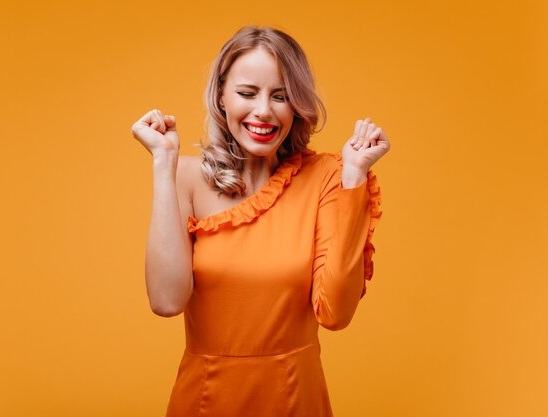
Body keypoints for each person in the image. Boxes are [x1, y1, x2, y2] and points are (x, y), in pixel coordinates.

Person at [131, 25, 390, 417]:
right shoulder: (184, 176)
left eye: (281, 96)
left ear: (297, 104)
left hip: (296, 400)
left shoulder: (325, 176)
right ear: (221, 95)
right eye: (247, 93)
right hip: (206, 401)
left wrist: (353, 178)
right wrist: (162, 163)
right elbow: (166, 301)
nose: (264, 110)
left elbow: (336, 314)